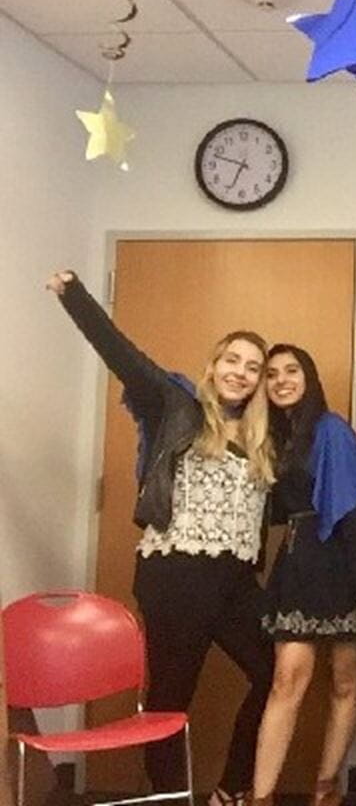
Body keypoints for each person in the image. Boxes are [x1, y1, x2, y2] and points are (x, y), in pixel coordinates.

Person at [48, 270, 274, 806]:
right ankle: (169, 799)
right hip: (176, 574)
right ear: (213, 366)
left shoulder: (263, 437)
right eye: (232, 360)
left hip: (235, 578)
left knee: (275, 674)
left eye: (253, 367)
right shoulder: (174, 405)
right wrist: (75, 296)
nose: (241, 373)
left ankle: (230, 789)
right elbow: (121, 355)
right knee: (172, 698)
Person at [252, 344, 356, 806]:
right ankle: (261, 797)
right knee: (286, 681)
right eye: (272, 374)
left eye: (292, 370)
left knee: (344, 681)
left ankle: (325, 791)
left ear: (308, 377)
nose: (282, 380)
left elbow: (353, 508)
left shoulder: (331, 428)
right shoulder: (268, 434)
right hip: (297, 565)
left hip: (344, 565)